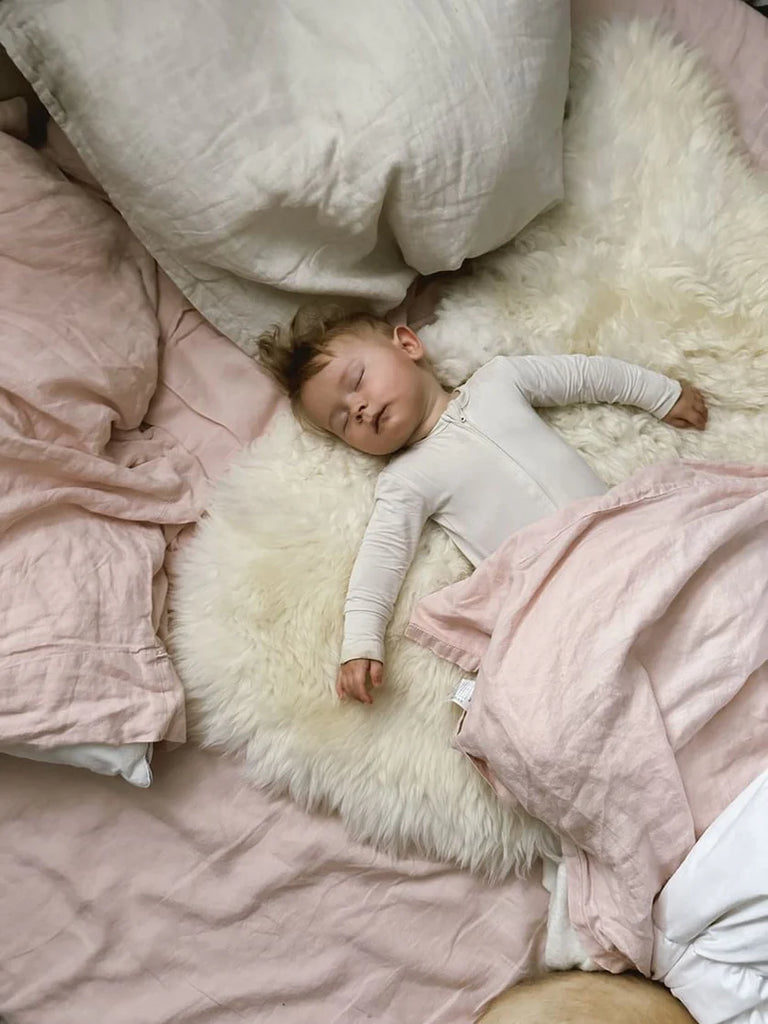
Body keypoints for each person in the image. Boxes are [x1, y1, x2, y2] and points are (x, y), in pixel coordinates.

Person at [258, 306, 708, 704]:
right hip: (553, 594)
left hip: (621, 539)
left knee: (697, 567)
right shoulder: (406, 480)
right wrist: (360, 643)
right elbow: (380, 561)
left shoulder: (499, 380)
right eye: (342, 421)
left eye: (356, 381)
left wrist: (660, 393)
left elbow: (586, 375)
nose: (357, 407)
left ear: (408, 345)